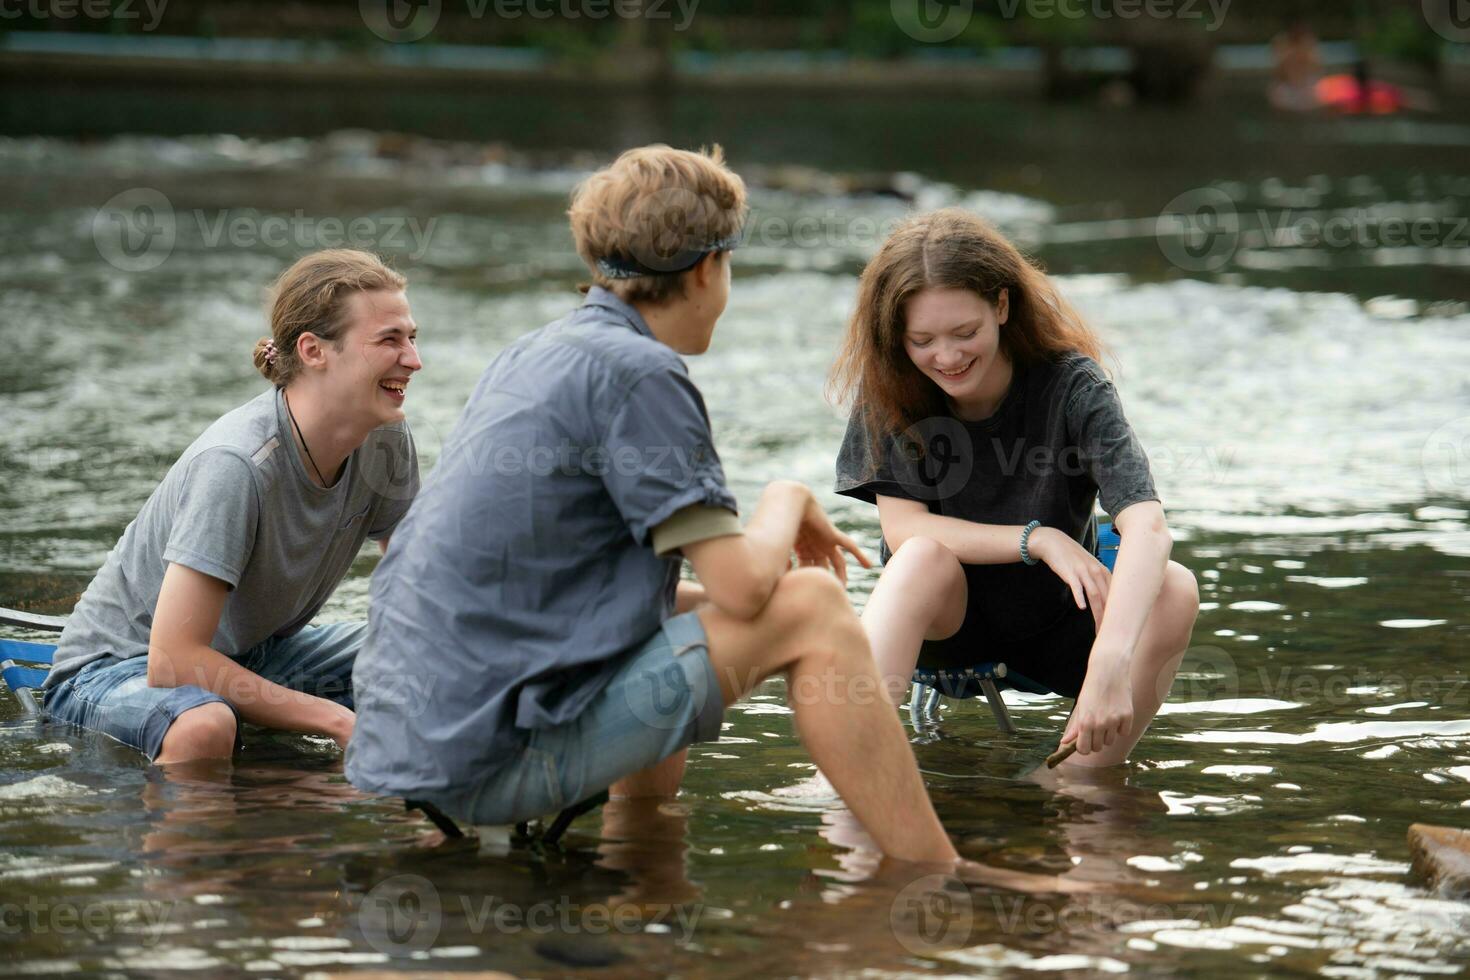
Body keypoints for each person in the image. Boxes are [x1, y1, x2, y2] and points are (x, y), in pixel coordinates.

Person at [346, 146, 1086, 886]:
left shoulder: (537, 352)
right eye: (729, 268)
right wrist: (784, 499)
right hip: (486, 760)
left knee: (671, 615)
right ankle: (936, 869)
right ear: (707, 269)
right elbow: (743, 591)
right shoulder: (641, 374)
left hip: (405, 747)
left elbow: (585, 585)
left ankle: (638, 869)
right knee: (813, 606)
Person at [829, 208, 1199, 767]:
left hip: (1060, 623)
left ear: (1001, 306)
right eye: (922, 340)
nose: (947, 358)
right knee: (920, 556)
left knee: (1175, 586)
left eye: (965, 333)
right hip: (947, 628)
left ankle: (1077, 785)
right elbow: (903, 529)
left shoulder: (1073, 386)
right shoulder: (891, 388)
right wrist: (1040, 539)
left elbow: (1147, 525)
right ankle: (844, 773)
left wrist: (1111, 661)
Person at [43, 249, 422, 764]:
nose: (413, 360)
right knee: (204, 726)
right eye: (389, 340)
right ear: (313, 350)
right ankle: (215, 841)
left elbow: (424, 590)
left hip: (258, 655)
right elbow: (173, 661)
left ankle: (436, 833)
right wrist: (335, 718)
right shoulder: (236, 464)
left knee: (441, 656)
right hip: (118, 669)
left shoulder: (385, 438)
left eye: (412, 338)